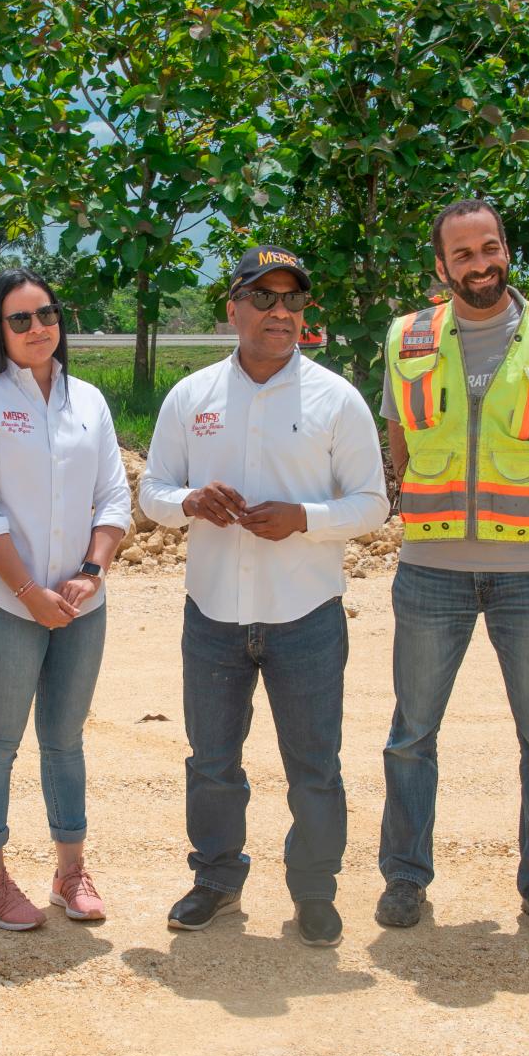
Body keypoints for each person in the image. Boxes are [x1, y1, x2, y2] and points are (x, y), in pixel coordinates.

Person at [139, 246, 389, 947]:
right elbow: (151, 492)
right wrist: (189, 500)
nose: (280, 312)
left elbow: (372, 504)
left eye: (293, 301)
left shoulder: (335, 399)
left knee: (314, 766)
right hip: (213, 612)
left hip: (305, 615)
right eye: (264, 298)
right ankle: (216, 879)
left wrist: (304, 518)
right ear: (233, 309)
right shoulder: (191, 398)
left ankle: (314, 890)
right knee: (212, 763)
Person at [375, 199, 529, 943]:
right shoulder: (405, 338)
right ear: (441, 267)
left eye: (491, 247)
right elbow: (400, 443)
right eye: (464, 254)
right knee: (411, 735)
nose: (481, 263)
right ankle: (405, 879)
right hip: (431, 568)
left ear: (508, 251)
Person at [0, 271, 132, 928]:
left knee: (65, 739)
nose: (37, 329)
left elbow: (113, 497)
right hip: (3, 602)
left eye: (46, 314)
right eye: (19, 320)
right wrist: (28, 591)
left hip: (81, 605)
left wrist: (90, 572)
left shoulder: (89, 401)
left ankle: (70, 871)